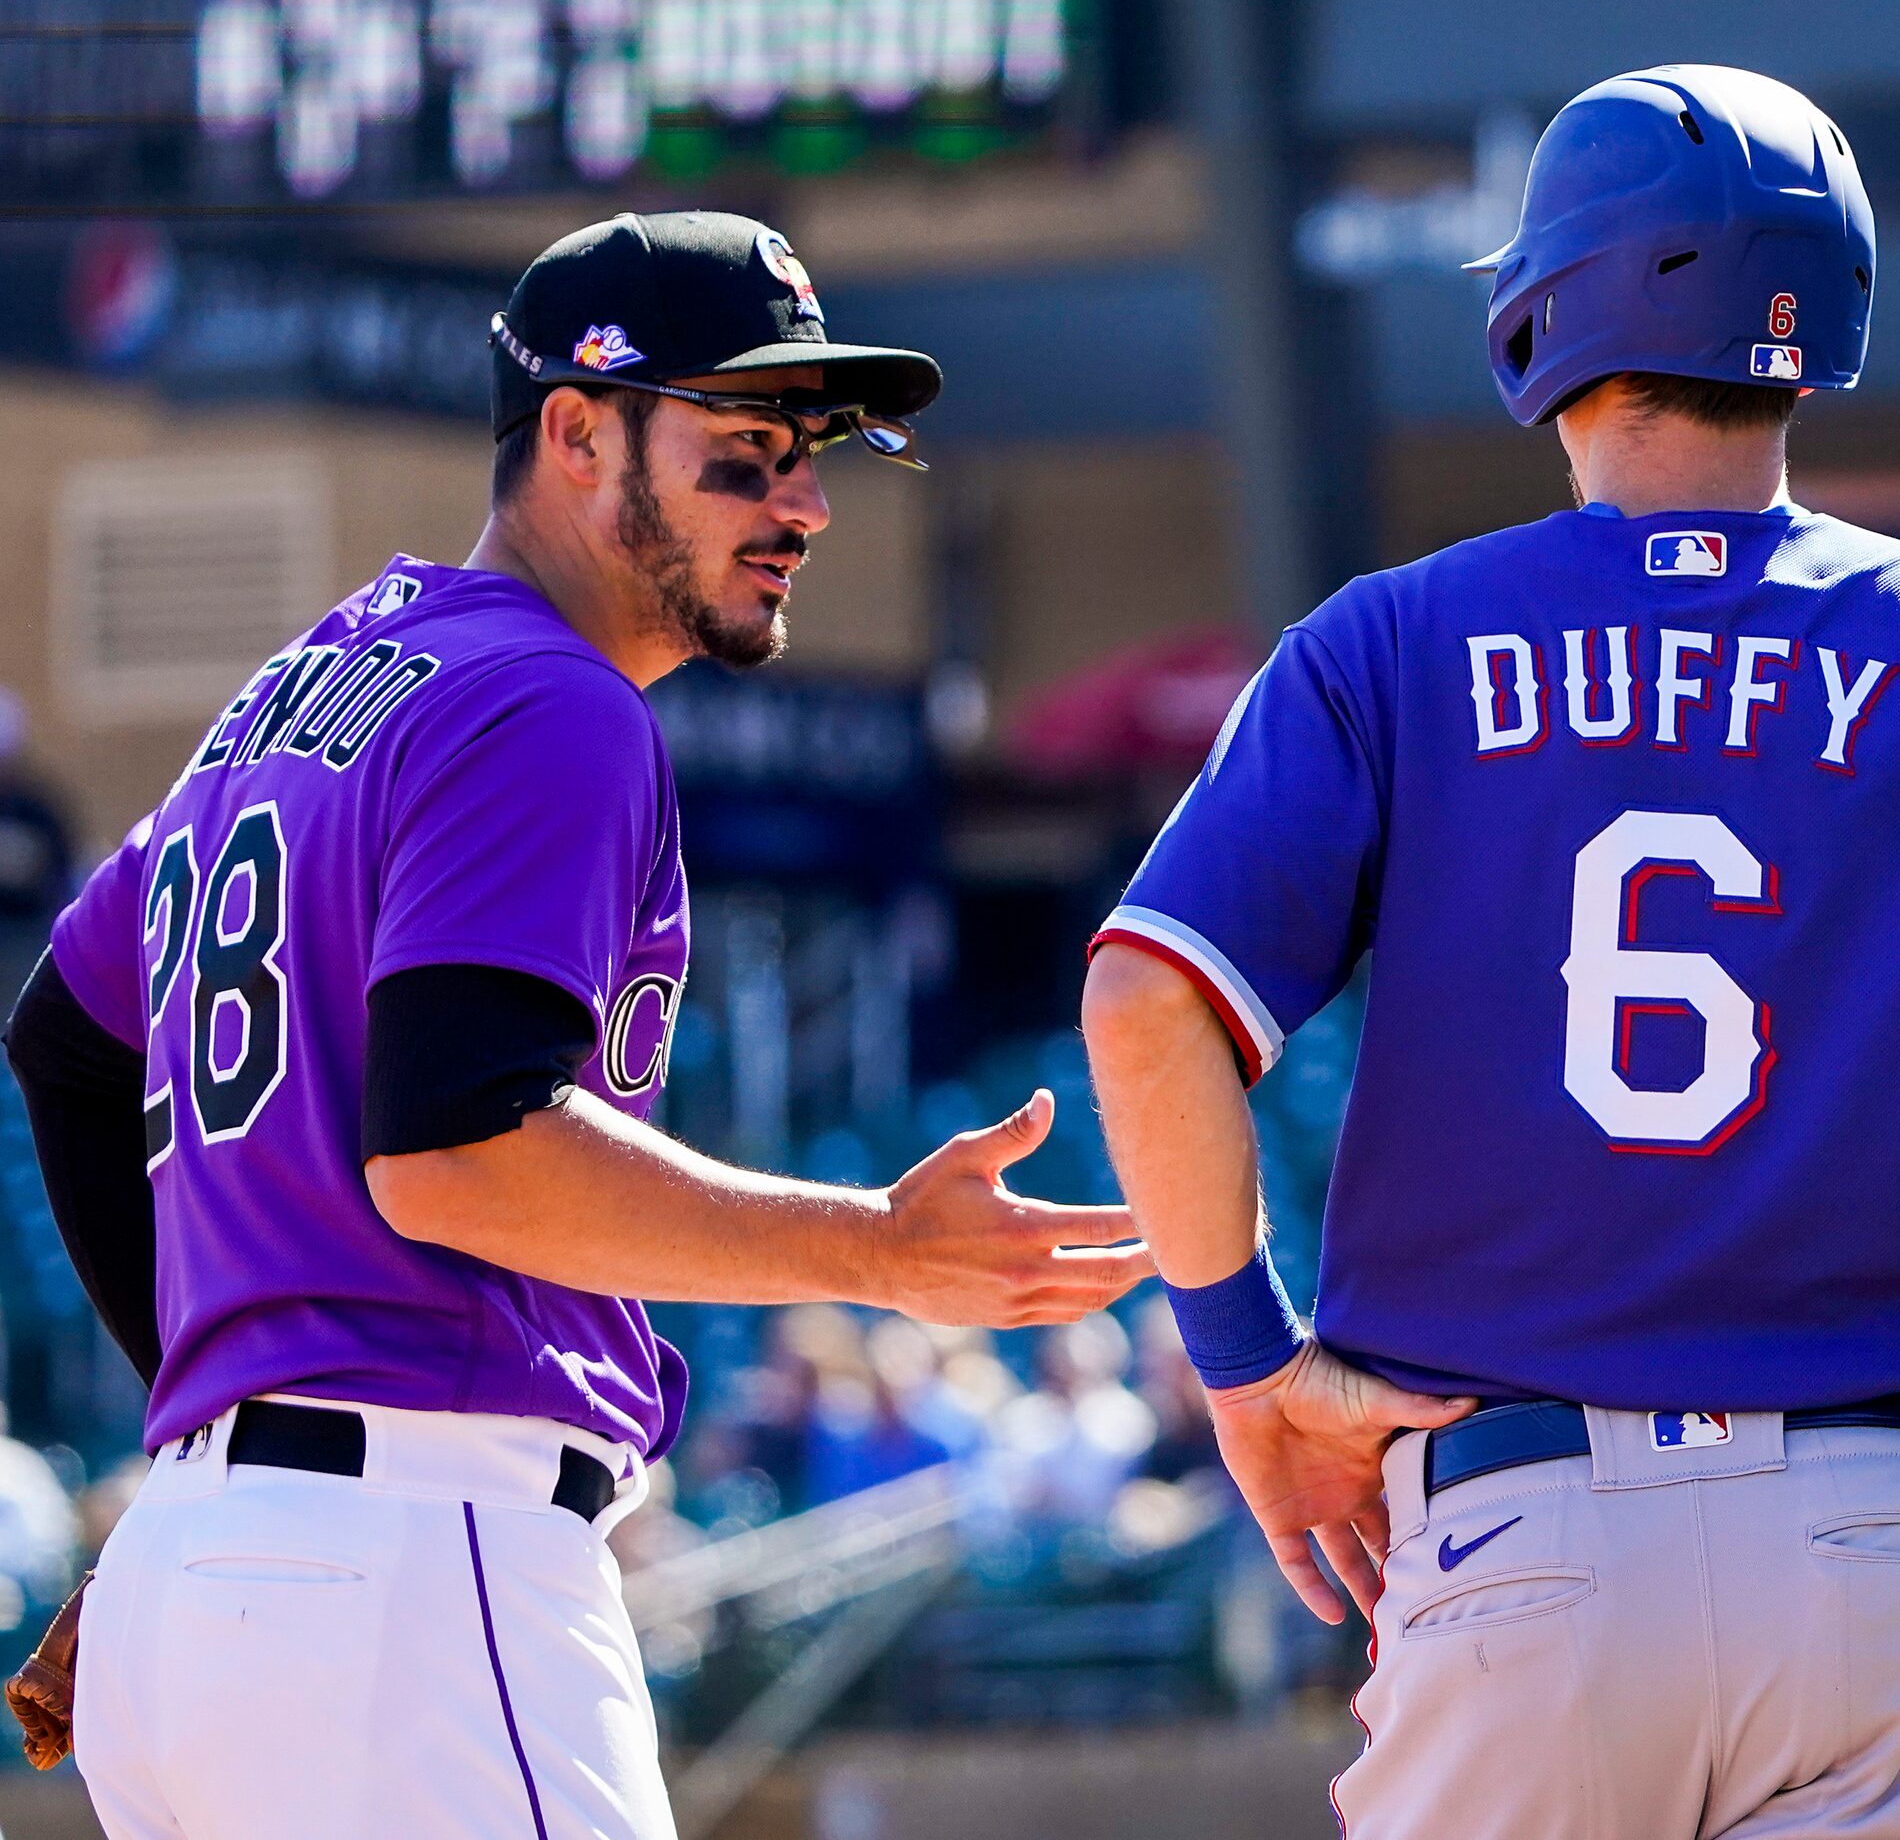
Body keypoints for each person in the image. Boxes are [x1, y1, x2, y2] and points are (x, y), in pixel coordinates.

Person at [1081, 65, 1900, 1838]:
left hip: (1522, 1532)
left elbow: (1144, 1000)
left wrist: (1244, 1356)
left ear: (1547, 307)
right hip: (1884, 1525)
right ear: (1819, 332)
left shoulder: (1388, 641)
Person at [0, 211, 1149, 1837]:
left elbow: (64, 1037)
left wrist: (210, 1436)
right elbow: (455, 1149)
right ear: (573, 431)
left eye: (813, 452)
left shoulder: (309, 686)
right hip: (412, 1564)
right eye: (744, 448)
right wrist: (875, 1247)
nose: (803, 503)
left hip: (208, 1597)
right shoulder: (548, 699)